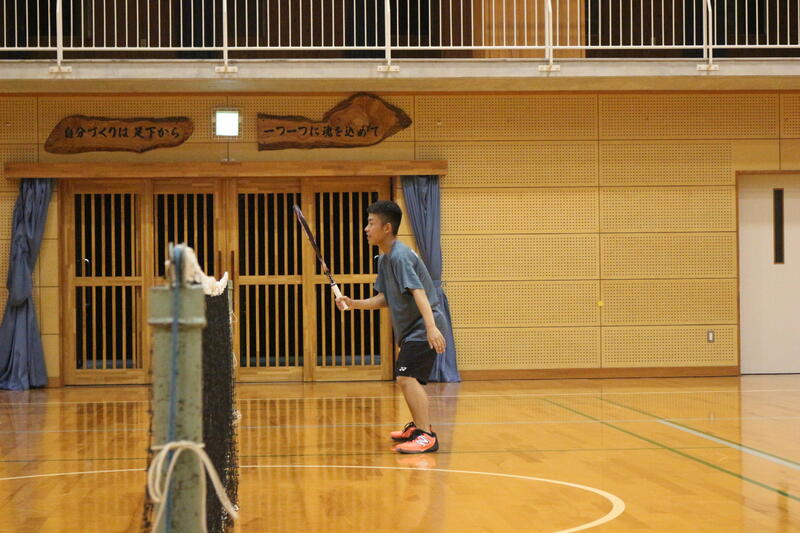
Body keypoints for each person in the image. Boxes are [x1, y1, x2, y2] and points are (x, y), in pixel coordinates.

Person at [335, 200, 447, 453]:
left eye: (370, 223)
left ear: (387, 228)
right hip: (413, 329)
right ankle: (418, 429)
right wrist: (354, 303)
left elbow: (418, 292)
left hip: (423, 326)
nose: (366, 229)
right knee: (407, 378)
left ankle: (426, 436)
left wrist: (431, 327)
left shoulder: (400, 256)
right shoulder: (385, 259)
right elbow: (386, 297)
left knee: (405, 377)